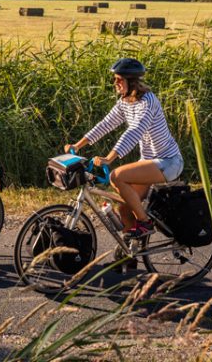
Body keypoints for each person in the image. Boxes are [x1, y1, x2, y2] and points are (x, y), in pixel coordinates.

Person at [65, 58, 183, 242]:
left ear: (131, 82)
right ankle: (130, 257)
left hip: (169, 161)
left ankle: (145, 223)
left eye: (119, 79)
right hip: (149, 162)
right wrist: (77, 145)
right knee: (124, 208)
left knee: (116, 176)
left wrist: (109, 158)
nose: (115, 83)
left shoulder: (148, 102)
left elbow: (134, 131)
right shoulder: (125, 102)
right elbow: (106, 124)